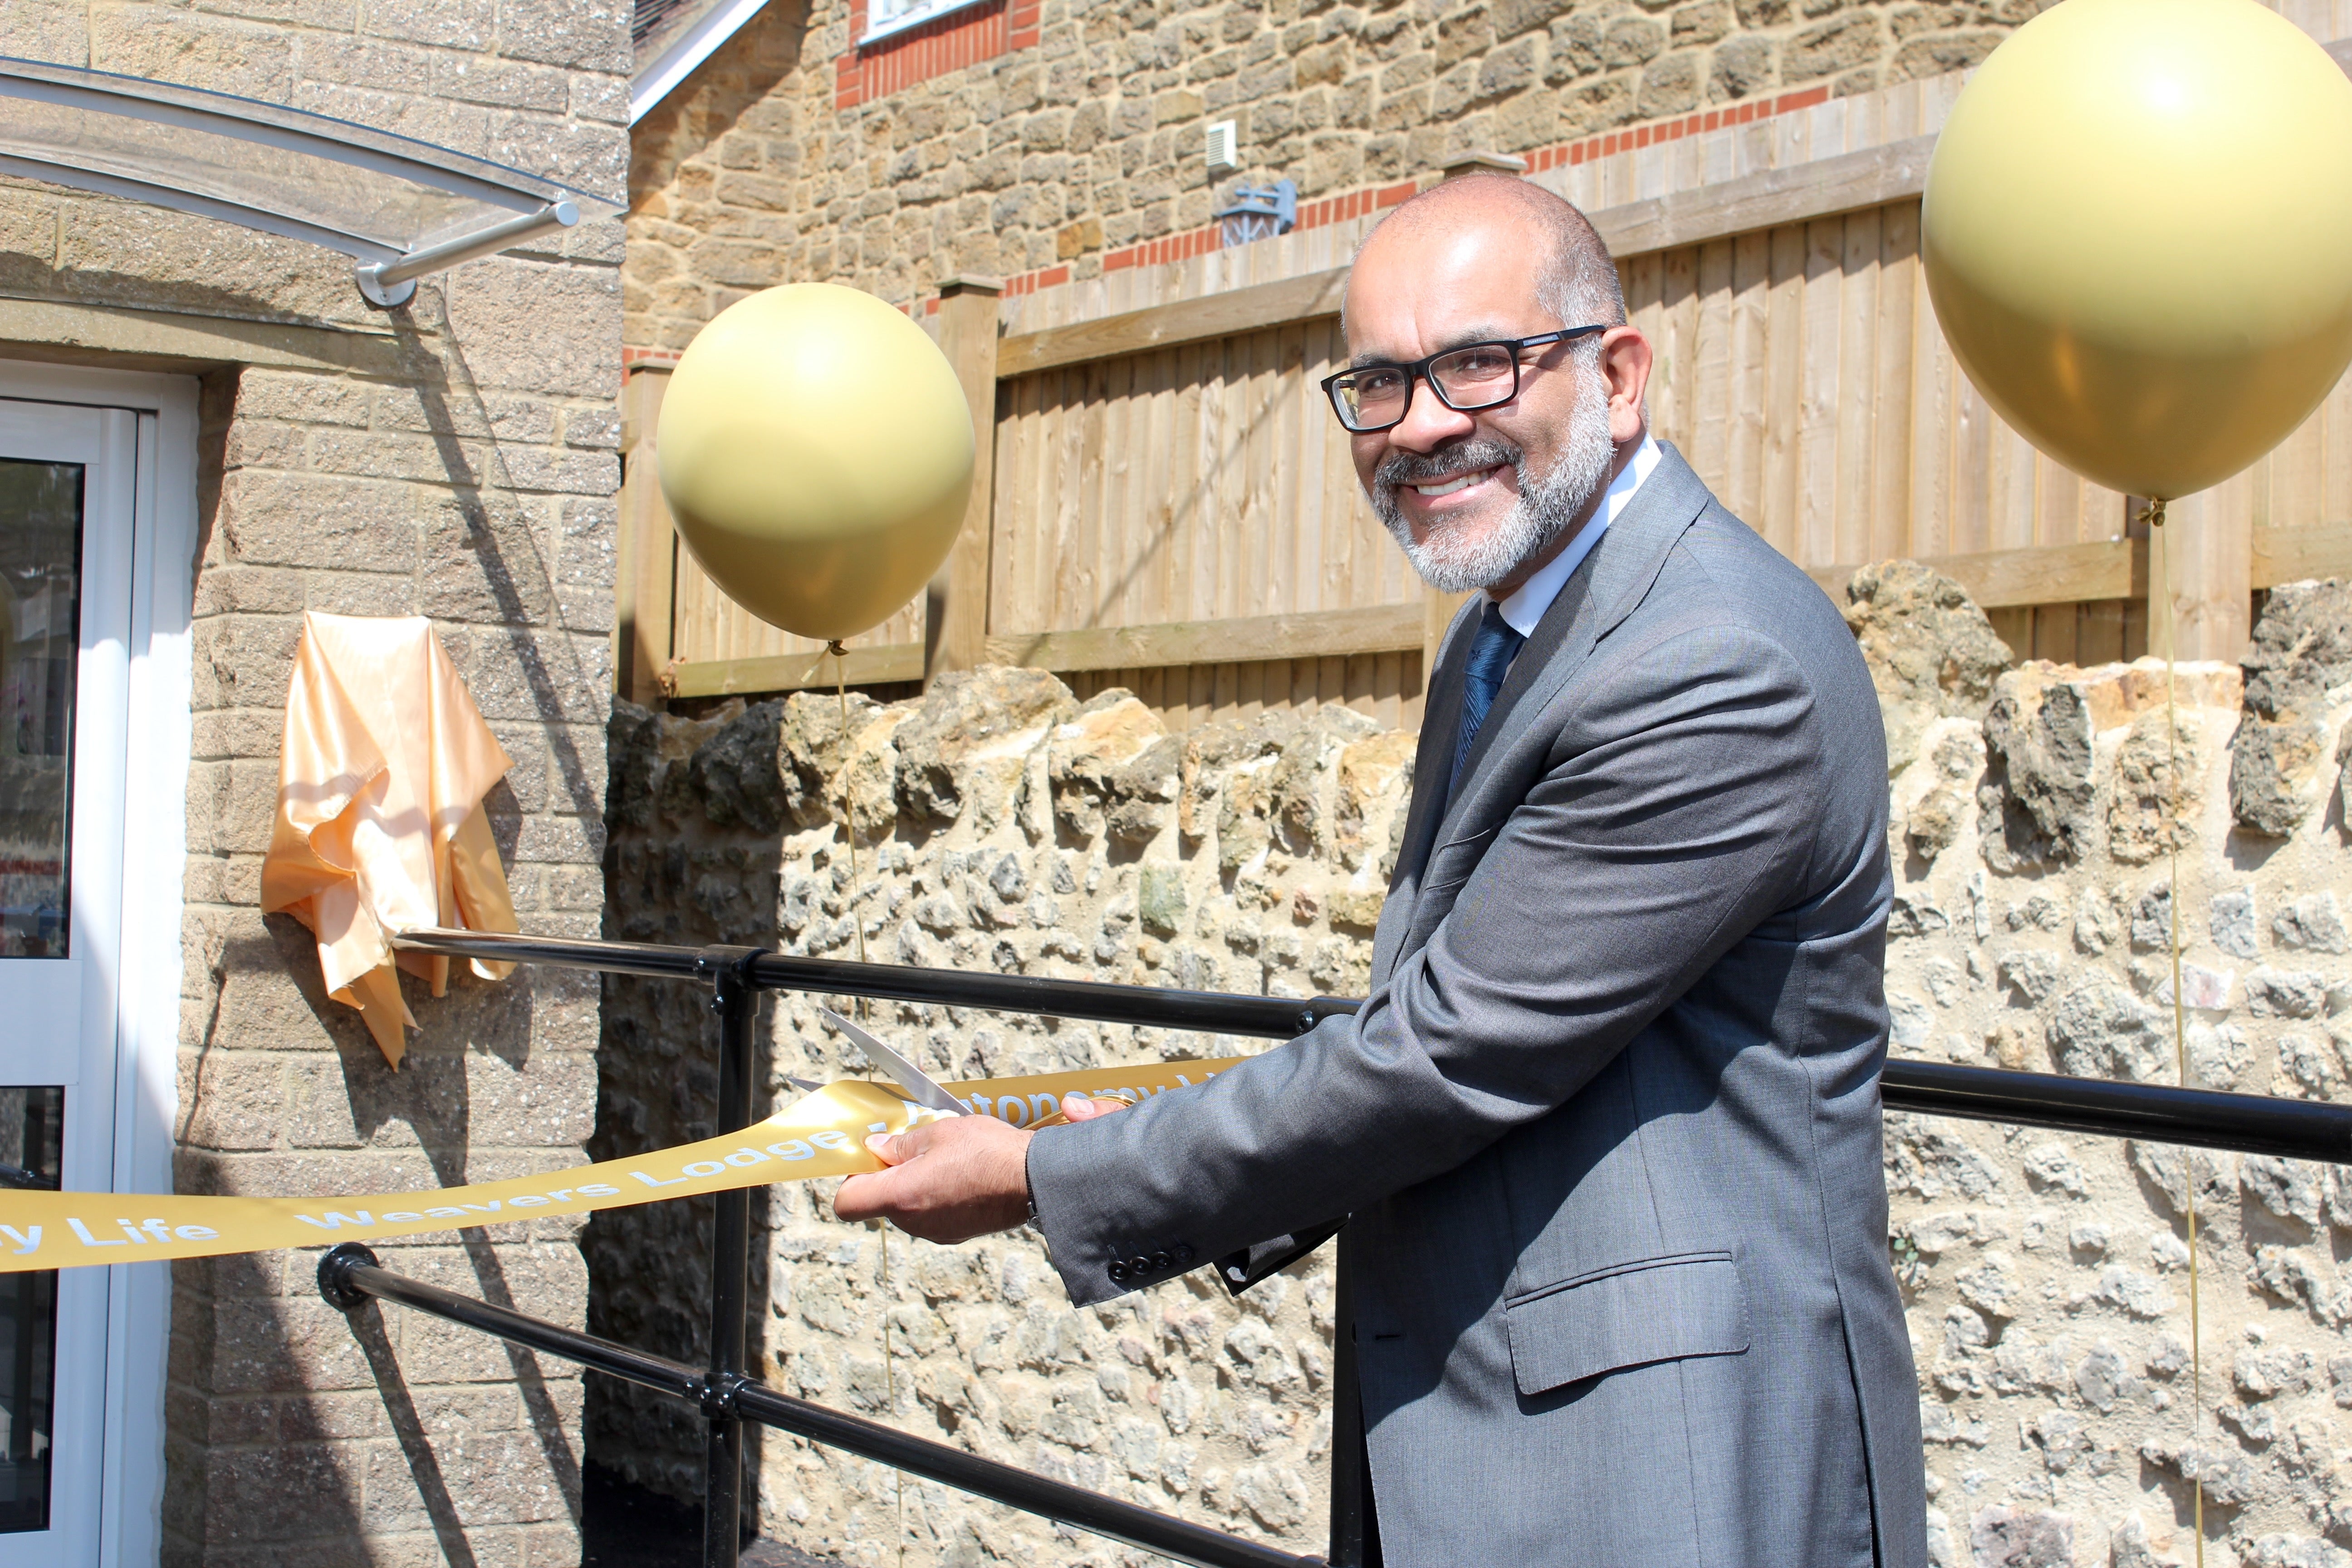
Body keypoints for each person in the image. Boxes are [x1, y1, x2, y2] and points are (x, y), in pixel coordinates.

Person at [836, 173, 1926, 1568]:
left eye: (1479, 363)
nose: (1420, 423)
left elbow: (1445, 1056)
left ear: (1622, 374)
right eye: (1381, 381)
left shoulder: (1709, 663)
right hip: (1509, 1430)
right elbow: (1455, 1025)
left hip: (1673, 1465)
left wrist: (1051, 1175)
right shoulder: (1503, 632)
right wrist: (1140, 1129)